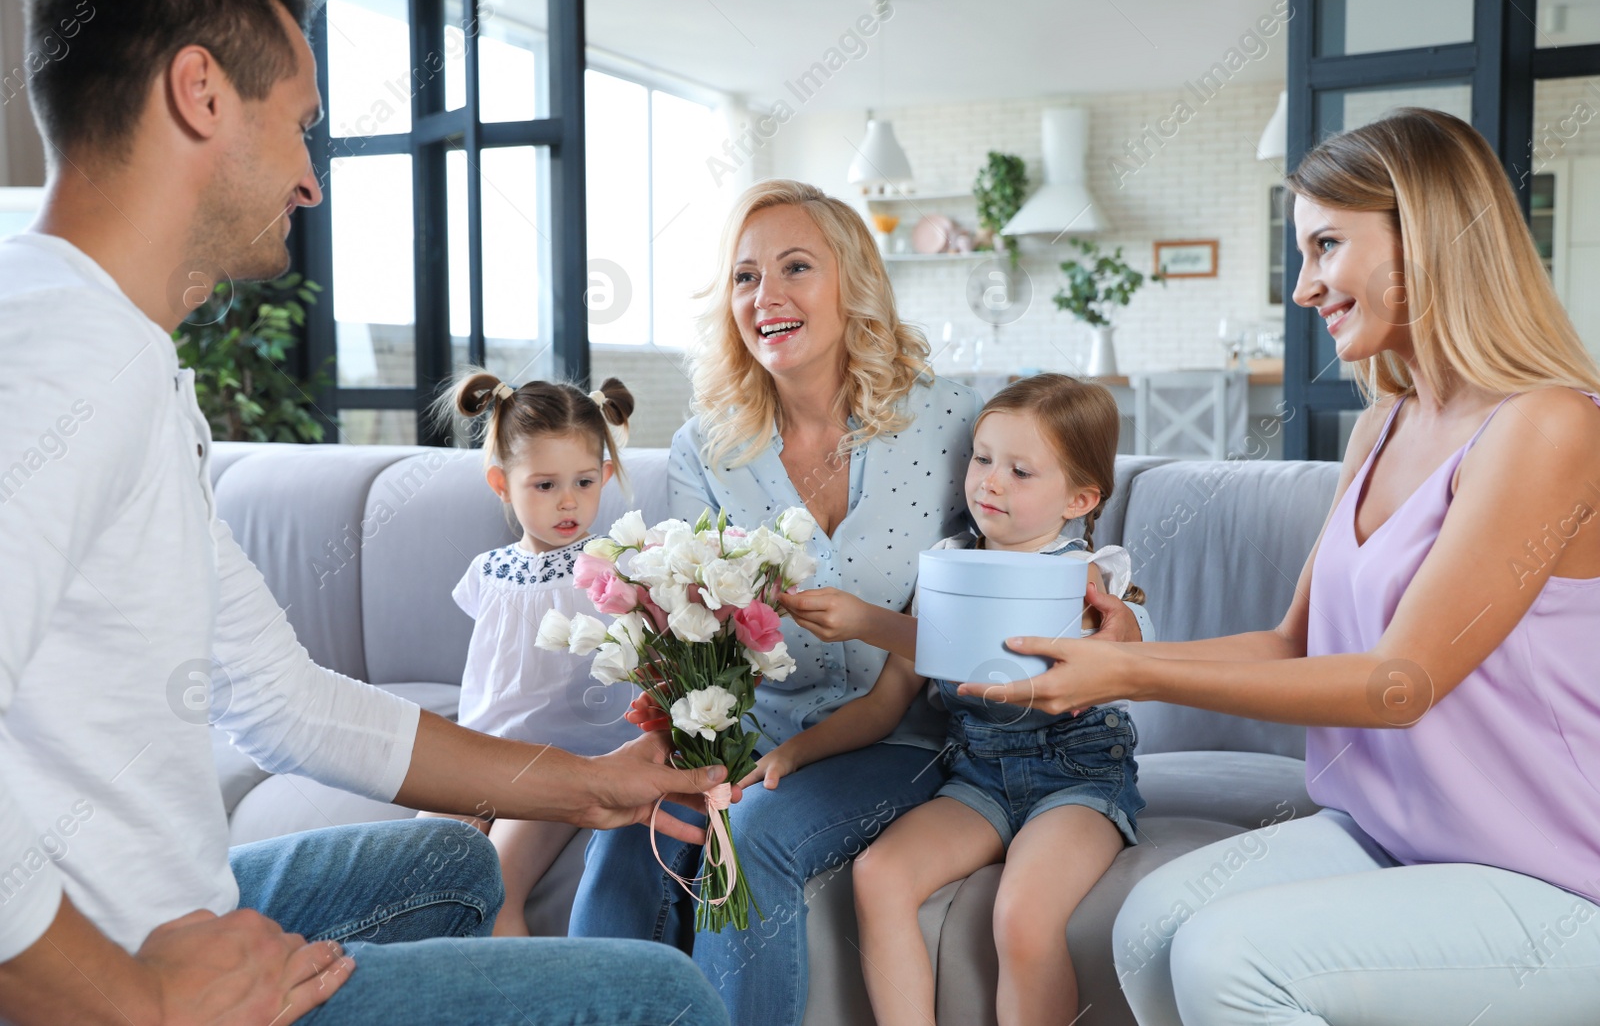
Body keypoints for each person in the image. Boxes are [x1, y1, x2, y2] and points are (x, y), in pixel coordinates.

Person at [0, 0, 728, 1023]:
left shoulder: (121, 352)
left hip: (169, 906)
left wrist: (592, 782)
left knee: (456, 863)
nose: (312, 178)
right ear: (200, 94)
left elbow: (282, 698)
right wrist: (142, 1000)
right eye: (300, 125)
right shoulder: (62, 353)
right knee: (662, 997)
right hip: (109, 965)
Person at [974, 108, 1600, 1024]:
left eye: (1326, 244)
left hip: (1551, 875)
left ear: (1424, 236)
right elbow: (1288, 646)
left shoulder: (1550, 424)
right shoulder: (1381, 423)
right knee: (1149, 928)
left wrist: (1131, 671)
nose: (1304, 287)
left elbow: (1400, 682)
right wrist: (1122, 654)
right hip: (1395, 838)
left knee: (1231, 960)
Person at [568, 179, 1151, 1023]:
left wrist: (1110, 601)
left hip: (907, 733)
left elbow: (1036, 546)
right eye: (744, 277)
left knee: (754, 837)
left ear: (852, 282)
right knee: (630, 824)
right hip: (754, 725)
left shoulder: (951, 418)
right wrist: (679, 726)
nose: (765, 295)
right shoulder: (707, 447)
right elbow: (695, 615)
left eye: (795, 267)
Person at [743, 373, 1148, 1026]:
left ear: (1080, 497)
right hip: (979, 777)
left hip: (1076, 778)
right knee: (879, 874)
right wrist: (794, 751)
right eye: (982, 458)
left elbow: (988, 647)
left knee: (1020, 912)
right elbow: (884, 703)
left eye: (1020, 470)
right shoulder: (946, 566)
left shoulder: (1086, 576)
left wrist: (867, 619)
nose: (990, 480)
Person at [422, 371, 645, 937]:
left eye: (585, 482)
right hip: (481, 753)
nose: (568, 501)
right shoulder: (488, 572)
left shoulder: (612, 568)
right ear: (502, 483)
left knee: (497, 887)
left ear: (607, 477)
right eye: (544, 485)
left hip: (563, 764)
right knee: (416, 860)